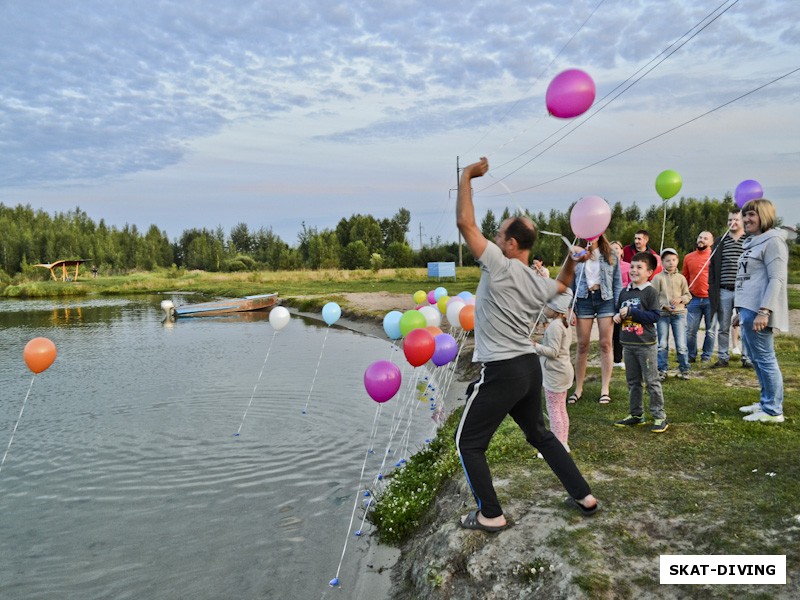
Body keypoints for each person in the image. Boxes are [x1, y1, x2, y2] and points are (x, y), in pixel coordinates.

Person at [455, 157, 598, 531]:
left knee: (467, 444)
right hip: (527, 369)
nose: (494, 237)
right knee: (539, 433)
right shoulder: (537, 282)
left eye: (499, 234)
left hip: (502, 370)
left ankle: (491, 514)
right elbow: (564, 286)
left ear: (512, 244)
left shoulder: (499, 266)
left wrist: (467, 176)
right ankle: (583, 494)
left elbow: (465, 223)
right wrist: (571, 258)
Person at [734, 199, 789, 423]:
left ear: (764, 216)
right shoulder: (753, 243)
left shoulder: (773, 241)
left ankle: (773, 410)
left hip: (759, 311)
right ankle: (766, 400)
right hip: (748, 310)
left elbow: (776, 279)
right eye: (745, 215)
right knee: (756, 359)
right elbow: (750, 280)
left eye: (752, 215)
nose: (746, 219)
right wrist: (741, 311)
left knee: (765, 358)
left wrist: (764, 310)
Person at [613, 252, 669, 433]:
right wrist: (617, 317)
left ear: (649, 272)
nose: (634, 270)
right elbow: (620, 311)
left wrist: (631, 312)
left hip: (645, 345)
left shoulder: (650, 292)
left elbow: (654, 315)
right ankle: (636, 414)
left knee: (652, 381)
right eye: (632, 267)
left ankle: (660, 416)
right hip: (628, 344)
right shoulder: (624, 291)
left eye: (639, 267)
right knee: (633, 381)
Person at [568, 234, 622, 405]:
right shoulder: (576, 254)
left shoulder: (610, 253)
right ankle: (578, 389)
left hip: (605, 299)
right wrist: (570, 307)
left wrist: (617, 307)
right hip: (583, 300)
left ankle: (605, 389)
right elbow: (569, 281)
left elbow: (617, 282)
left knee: (606, 344)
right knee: (582, 345)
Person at [532, 289, 574, 452]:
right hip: (563, 371)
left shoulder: (555, 327)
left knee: (554, 410)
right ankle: (564, 442)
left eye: (547, 305)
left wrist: (536, 346)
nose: (544, 308)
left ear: (556, 309)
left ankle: (557, 447)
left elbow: (553, 352)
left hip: (555, 373)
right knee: (561, 408)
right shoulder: (564, 323)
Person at [709, 210, 751, 368]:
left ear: (743, 221)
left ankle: (747, 358)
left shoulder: (749, 240)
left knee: (746, 324)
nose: (732, 222)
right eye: (730, 219)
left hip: (744, 290)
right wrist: (712, 285)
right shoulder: (720, 241)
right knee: (724, 325)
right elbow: (712, 266)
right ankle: (722, 357)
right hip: (724, 290)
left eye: (736, 219)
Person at [652, 248, 691, 380]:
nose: (671, 263)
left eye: (674, 260)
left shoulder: (681, 278)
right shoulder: (657, 278)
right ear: (662, 262)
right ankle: (662, 370)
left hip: (679, 314)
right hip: (663, 315)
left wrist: (681, 299)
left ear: (677, 261)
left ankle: (684, 369)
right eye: (668, 260)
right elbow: (653, 298)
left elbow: (688, 295)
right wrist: (663, 306)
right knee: (662, 344)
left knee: (681, 344)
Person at [682, 230, 716, 363]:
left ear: (711, 242)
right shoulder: (688, 257)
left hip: (710, 299)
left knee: (711, 331)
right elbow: (684, 277)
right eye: (700, 237)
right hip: (694, 299)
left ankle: (706, 356)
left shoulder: (715, 256)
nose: (702, 240)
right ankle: (691, 355)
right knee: (690, 330)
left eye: (706, 238)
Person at [610, 240, 630, 369]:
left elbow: (631, 283)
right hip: (608, 301)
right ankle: (609, 358)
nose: (615, 251)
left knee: (621, 331)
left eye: (617, 248)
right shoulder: (606, 265)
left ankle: (618, 358)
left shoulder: (628, 266)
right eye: (611, 248)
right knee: (609, 331)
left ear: (622, 251)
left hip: (623, 301)